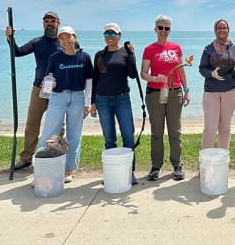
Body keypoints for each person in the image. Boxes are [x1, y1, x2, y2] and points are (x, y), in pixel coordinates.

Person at [6, 11, 62, 170]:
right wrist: (10, 38)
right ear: (43, 24)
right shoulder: (37, 42)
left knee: (59, 125)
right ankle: (26, 158)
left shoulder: (64, 41)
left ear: (58, 23)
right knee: (32, 123)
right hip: (39, 88)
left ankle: (55, 154)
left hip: (58, 90)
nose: (49, 24)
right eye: (46, 21)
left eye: (52, 21)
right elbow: (17, 52)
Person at [37, 26, 93, 183]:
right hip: (58, 98)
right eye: (61, 38)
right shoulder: (55, 57)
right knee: (49, 133)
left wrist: (87, 103)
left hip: (77, 98)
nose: (65, 41)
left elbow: (89, 82)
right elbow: (49, 77)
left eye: (68, 37)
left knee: (74, 135)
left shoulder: (84, 57)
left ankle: (69, 169)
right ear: (59, 40)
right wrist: (49, 84)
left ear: (74, 37)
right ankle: (43, 167)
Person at [140, 15, 191, 181]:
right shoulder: (149, 49)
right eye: (160, 28)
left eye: (166, 28)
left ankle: (177, 165)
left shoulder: (176, 47)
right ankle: (156, 166)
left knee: (175, 131)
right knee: (157, 132)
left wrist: (187, 90)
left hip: (175, 92)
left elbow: (181, 71)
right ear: (155, 29)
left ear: (170, 30)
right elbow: (143, 74)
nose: (163, 31)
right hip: (155, 94)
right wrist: (156, 79)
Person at [90, 23, 139, 185]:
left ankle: (130, 172)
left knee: (128, 136)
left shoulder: (125, 52)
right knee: (109, 138)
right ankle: (112, 172)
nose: (109, 36)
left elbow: (133, 75)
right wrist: (93, 102)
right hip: (102, 100)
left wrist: (132, 55)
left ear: (119, 35)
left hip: (122, 99)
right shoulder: (99, 55)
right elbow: (95, 80)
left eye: (113, 33)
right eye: (106, 34)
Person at [199, 19, 235, 149]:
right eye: (219, 27)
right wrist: (211, 73)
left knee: (225, 128)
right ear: (215, 30)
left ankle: (222, 161)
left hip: (230, 91)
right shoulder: (208, 49)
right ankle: (205, 162)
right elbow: (202, 69)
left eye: (224, 27)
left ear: (228, 30)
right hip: (211, 91)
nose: (222, 30)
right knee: (210, 128)